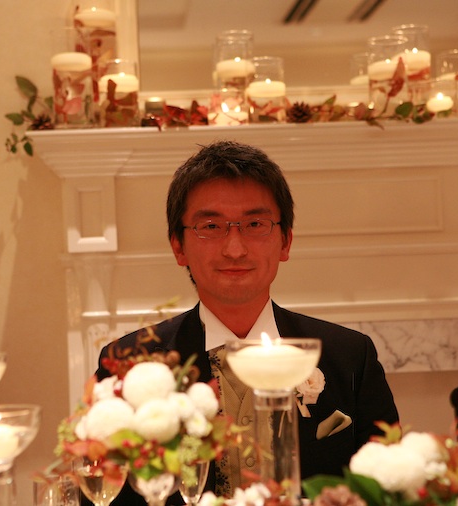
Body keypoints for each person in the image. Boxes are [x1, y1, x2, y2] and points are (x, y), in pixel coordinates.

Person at [95, 140, 399, 503]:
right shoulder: (132, 364)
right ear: (178, 246)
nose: (235, 249)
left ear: (285, 241)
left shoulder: (349, 356)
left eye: (255, 224)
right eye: (211, 226)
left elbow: (392, 492)